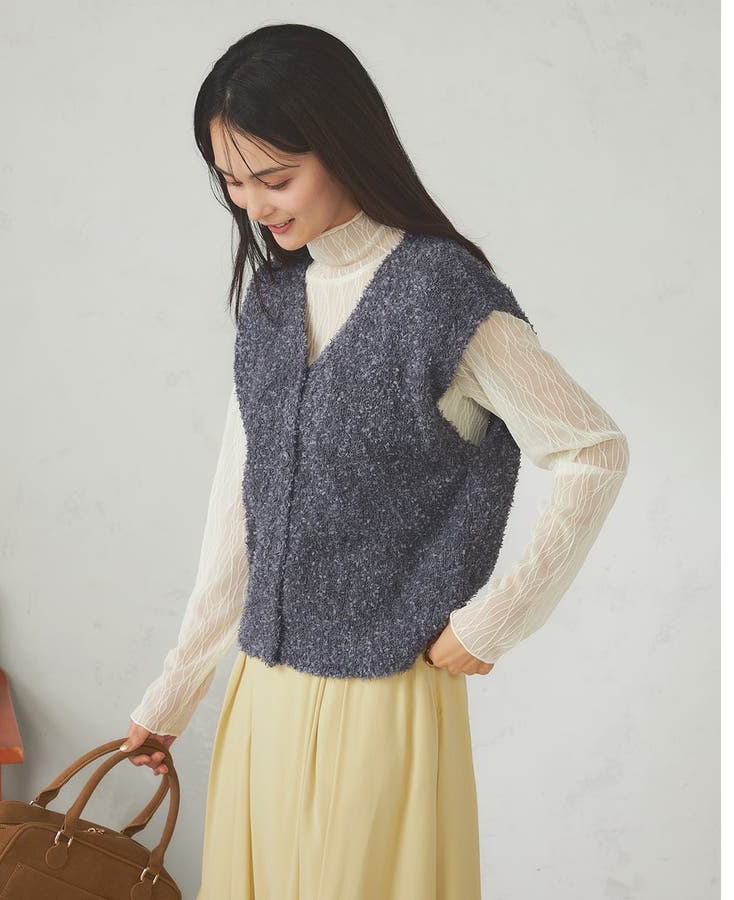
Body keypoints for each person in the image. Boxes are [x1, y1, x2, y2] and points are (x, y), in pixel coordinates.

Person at [119, 23, 630, 900]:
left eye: (275, 177)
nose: (254, 205)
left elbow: (594, 450)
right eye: (233, 181)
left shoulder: (440, 293)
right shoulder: (273, 300)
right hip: (262, 693)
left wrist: (496, 620)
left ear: (345, 144)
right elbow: (239, 508)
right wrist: (176, 691)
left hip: (383, 696)